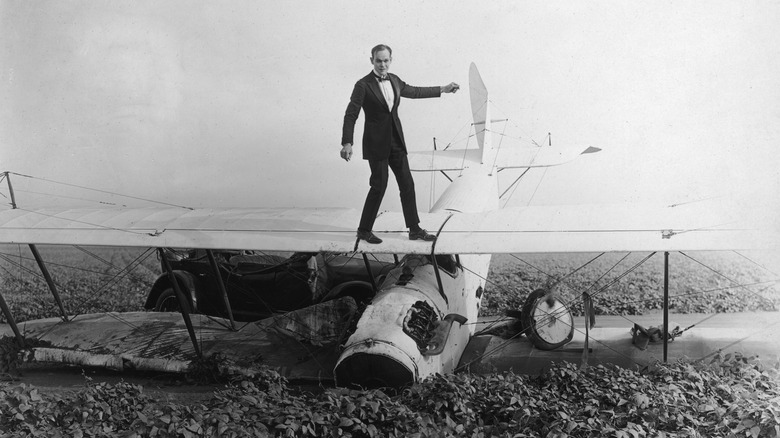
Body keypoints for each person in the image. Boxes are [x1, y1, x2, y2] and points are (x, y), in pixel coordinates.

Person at [341, 44, 459, 244]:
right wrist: (347, 142)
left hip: (396, 140)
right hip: (376, 143)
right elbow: (351, 114)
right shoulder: (363, 85)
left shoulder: (394, 80)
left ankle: (414, 229)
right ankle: (363, 230)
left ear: (391, 60)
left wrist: (443, 89)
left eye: (386, 60)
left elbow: (414, 91)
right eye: (378, 60)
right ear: (372, 61)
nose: (382, 64)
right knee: (379, 186)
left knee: (407, 184)